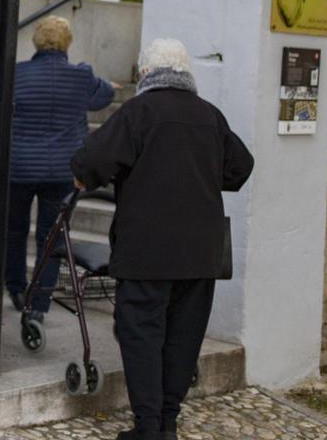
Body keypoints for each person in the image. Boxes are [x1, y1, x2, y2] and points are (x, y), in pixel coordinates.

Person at [70, 39, 253, 440]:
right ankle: (167, 423)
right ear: (186, 74)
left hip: (147, 250)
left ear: (145, 74)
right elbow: (240, 167)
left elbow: (88, 164)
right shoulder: (210, 116)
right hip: (200, 252)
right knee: (182, 339)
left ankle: (148, 428)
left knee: (143, 338)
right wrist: (201, 176)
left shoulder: (139, 112)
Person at [7, 15, 115, 322]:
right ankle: (38, 305)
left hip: (20, 169)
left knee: (15, 231)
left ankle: (15, 287)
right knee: (50, 237)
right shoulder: (81, 77)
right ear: (67, 43)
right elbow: (105, 95)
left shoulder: (17, 74)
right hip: (61, 172)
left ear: (36, 42)